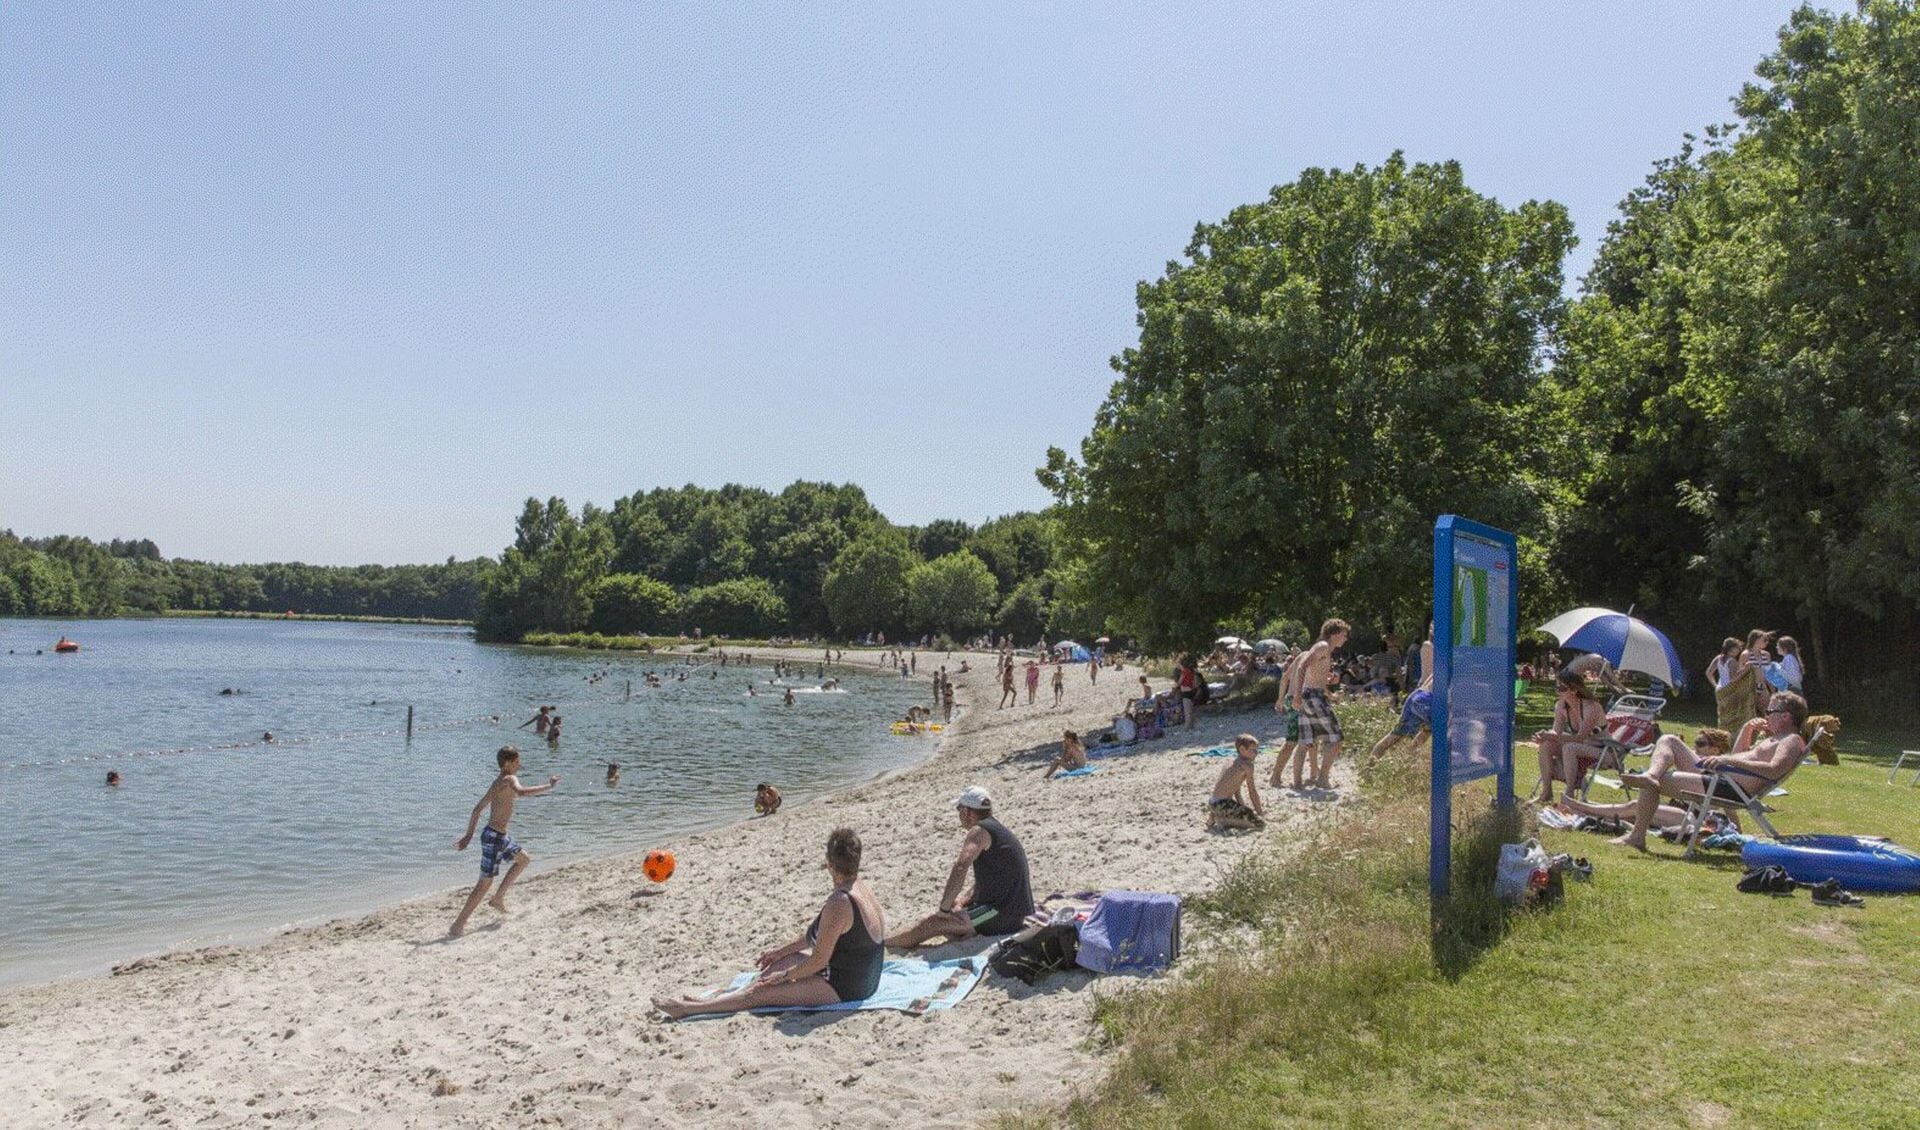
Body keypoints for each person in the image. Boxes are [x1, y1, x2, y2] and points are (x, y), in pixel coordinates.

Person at [652, 828, 884, 1019]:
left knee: (760, 994)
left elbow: (818, 960)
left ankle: (688, 1010)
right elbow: (815, 937)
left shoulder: (839, 902)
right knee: (781, 962)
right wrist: (778, 953)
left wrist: (783, 977)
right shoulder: (860, 887)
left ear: (829, 865)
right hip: (856, 972)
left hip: (848, 986)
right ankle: (717, 998)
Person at [1612, 693, 1809, 851]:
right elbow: (1739, 756)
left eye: (1771, 710)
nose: (1766, 715)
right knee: (1668, 740)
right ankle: (1651, 775)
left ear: (1786, 716)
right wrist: (1747, 730)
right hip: (1719, 778)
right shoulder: (1774, 738)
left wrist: (1725, 759)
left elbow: (1774, 771)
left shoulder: (1791, 740)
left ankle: (1637, 836)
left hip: (1728, 788)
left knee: (1657, 781)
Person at [885, 786, 1033, 948]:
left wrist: (944, 910)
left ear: (967, 812)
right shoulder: (997, 830)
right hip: (1012, 912)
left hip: (1002, 915)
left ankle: (881, 944)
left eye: (959, 809)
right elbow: (986, 881)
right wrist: (961, 903)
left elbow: (961, 867)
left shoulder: (979, 830)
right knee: (954, 906)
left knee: (931, 924)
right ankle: (966, 926)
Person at [450, 746, 560, 937]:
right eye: (517, 762)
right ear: (508, 763)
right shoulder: (509, 779)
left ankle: (498, 898)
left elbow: (477, 810)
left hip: (499, 836)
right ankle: (457, 925)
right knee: (484, 884)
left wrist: (469, 836)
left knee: (523, 860)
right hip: (494, 837)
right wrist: (549, 786)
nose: (519, 765)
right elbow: (522, 792)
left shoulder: (497, 782)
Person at [1286, 620, 1349, 789]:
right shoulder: (1322, 646)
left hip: (1311, 695)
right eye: (1344, 635)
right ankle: (1322, 779)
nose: (1345, 638)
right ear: (1335, 634)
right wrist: (1296, 695)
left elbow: (1315, 678)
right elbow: (1301, 667)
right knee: (1336, 739)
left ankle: (1298, 783)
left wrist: (1330, 692)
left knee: (1306, 741)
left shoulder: (1324, 650)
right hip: (1313, 697)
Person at [1528, 672, 1607, 804]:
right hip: (1581, 746)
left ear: (1575, 690)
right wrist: (1545, 735)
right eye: (1557, 687)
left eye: (1562, 688)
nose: (1558, 691)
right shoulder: (1561, 705)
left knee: (1569, 747)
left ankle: (1569, 794)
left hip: (1602, 749)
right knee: (1546, 743)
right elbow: (1556, 731)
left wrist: (1553, 736)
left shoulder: (1591, 707)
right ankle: (1546, 792)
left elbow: (1580, 737)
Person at [1366, 621, 1435, 767]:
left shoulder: (1439, 650)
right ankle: (1371, 766)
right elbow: (1429, 673)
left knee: (1424, 732)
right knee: (1398, 735)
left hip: (1425, 694)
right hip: (1425, 695)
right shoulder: (1429, 647)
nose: (1397, 646)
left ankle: (1405, 764)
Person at [1207, 734, 1267, 830]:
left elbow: (1235, 791)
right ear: (1242, 749)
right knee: (1259, 824)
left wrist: (1244, 809)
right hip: (1223, 804)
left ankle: (1212, 817)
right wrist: (1260, 813)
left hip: (1212, 803)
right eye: (1253, 750)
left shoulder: (1230, 762)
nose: (1256, 753)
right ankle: (1224, 821)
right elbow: (1252, 791)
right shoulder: (1247, 766)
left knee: (1247, 813)